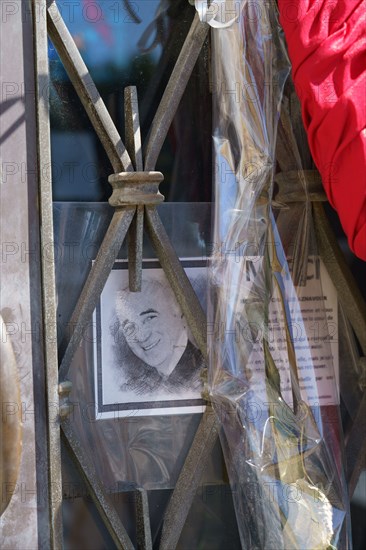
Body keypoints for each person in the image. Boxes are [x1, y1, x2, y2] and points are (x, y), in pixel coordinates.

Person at [112, 279, 203, 396]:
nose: (141, 336)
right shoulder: (135, 385)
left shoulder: (204, 370)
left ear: (177, 312)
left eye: (150, 318)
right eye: (130, 328)